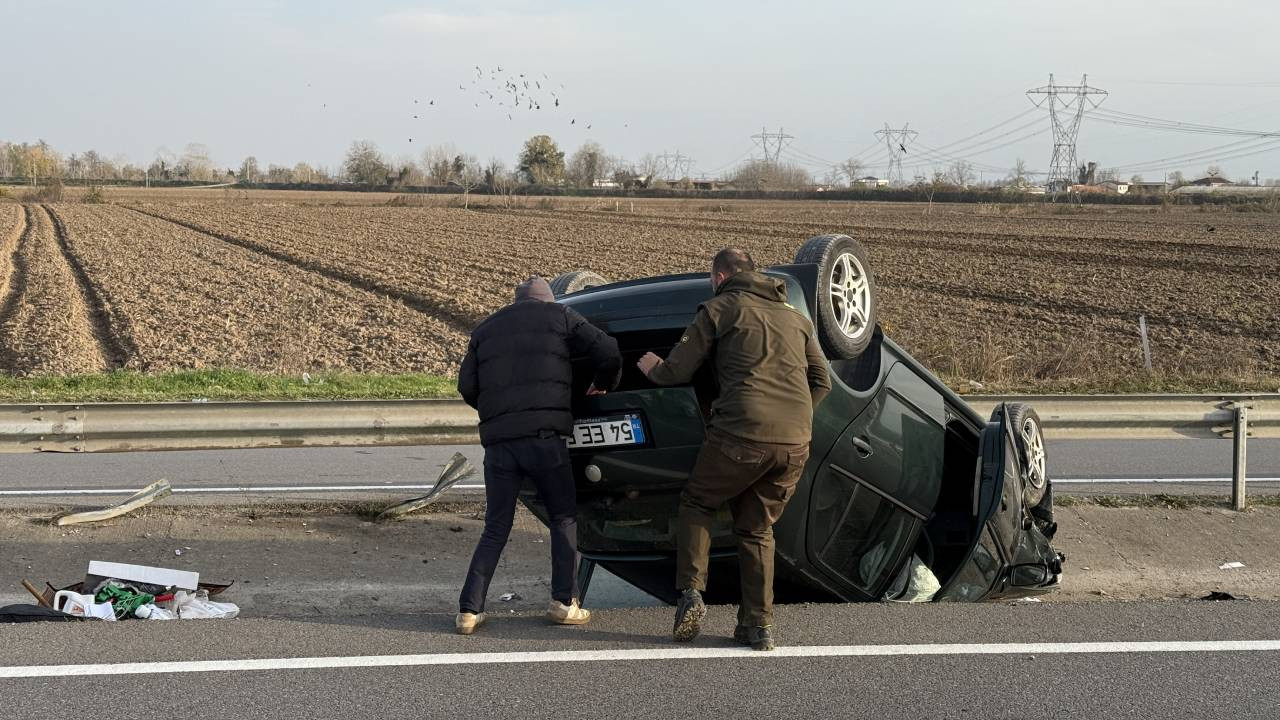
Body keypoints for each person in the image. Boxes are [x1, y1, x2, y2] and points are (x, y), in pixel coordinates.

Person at [637, 248, 831, 651]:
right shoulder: (797, 318)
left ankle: (690, 594)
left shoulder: (719, 308)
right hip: (795, 443)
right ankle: (758, 628)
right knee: (757, 528)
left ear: (720, 277)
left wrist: (651, 366)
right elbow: (821, 380)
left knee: (698, 502)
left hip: (740, 433)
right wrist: (797, 419)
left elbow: (677, 370)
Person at [455, 276, 621, 635]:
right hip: (545, 440)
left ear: (517, 302)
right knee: (562, 517)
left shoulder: (486, 328)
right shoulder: (561, 316)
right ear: (548, 300)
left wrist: (495, 412)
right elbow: (607, 350)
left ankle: (469, 610)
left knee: (496, 525)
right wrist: (603, 384)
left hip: (500, 445)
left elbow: (466, 385)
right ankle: (564, 603)